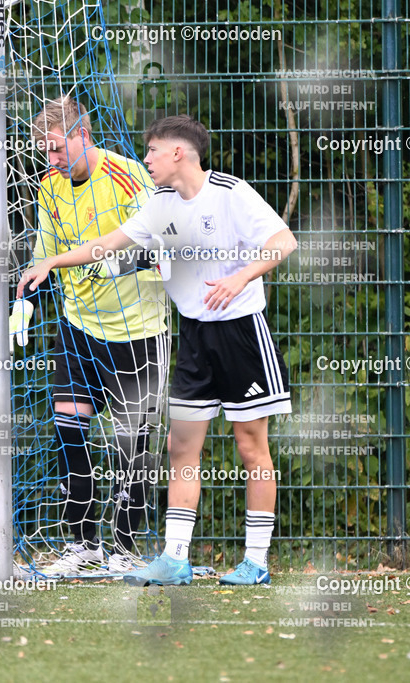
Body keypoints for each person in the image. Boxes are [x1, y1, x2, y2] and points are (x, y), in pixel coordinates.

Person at [18, 115, 297, 586]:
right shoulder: (161, 205)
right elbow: (108, 245)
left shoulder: (231, 192)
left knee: (252, 447)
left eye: (152, 150)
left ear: (178, 153)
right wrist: (51, 261)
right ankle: (174, 557)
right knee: (180, 447)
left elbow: (282, 241)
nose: (144, 158)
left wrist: (240, 276)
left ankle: (256, 561)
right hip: (192, 337)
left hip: (241, 335)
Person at [11, 95, 170, 576]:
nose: (52, 160)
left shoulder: (128, 177)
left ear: (83, 135)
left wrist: (106, 263)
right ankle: (84, 545)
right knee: (69, 429)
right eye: (45, 152)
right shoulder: (49, 187)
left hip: (138, 331)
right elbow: (46, 252)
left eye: (58, 149)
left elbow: (162, 245)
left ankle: (124, 548)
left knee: (131, 443)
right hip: (79, 326)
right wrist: (25, 302)